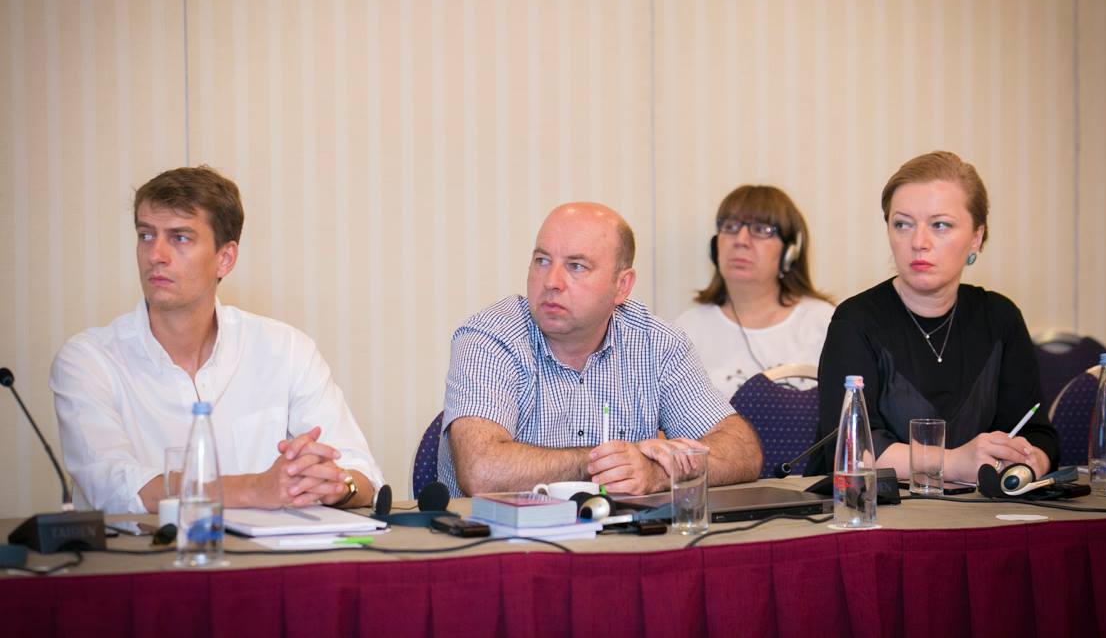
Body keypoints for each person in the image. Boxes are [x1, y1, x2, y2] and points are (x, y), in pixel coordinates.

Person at [50, 166, 382, 514]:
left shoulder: (286, 349)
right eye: (146, 235)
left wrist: (332, 484)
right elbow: (111, 486)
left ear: (225, 259)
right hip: (147, 549)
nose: (155, 255)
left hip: (270, 547)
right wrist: (254, 489)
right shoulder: (88, 360)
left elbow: (363, 475)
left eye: (180, 238)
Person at [438, 202, 763, 497]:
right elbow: (482, 472)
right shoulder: (490, 337)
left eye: (576, 266)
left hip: (622, 537)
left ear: (622, 286)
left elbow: (742, 450)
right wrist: (614, 463)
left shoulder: (657, 343)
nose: (551, 281)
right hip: (503, 540)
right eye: (542, 261)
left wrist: (656, 473)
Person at [807, 152, 1059, 482]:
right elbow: (853, 449)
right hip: (869, 506)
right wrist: (952, 462)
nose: (918, 242)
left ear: (976, 237)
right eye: (902, 224)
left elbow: (1037, 433)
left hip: (981, 506)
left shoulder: (1000, 317)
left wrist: (1026, 464)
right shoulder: (855, 321)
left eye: (940, 225)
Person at [676, 185, 834, 398]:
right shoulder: (688, 329)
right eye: (730, 227)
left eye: (761, 229)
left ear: (790, 252)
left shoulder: (824, 323)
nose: (740, 241)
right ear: (715, 247)